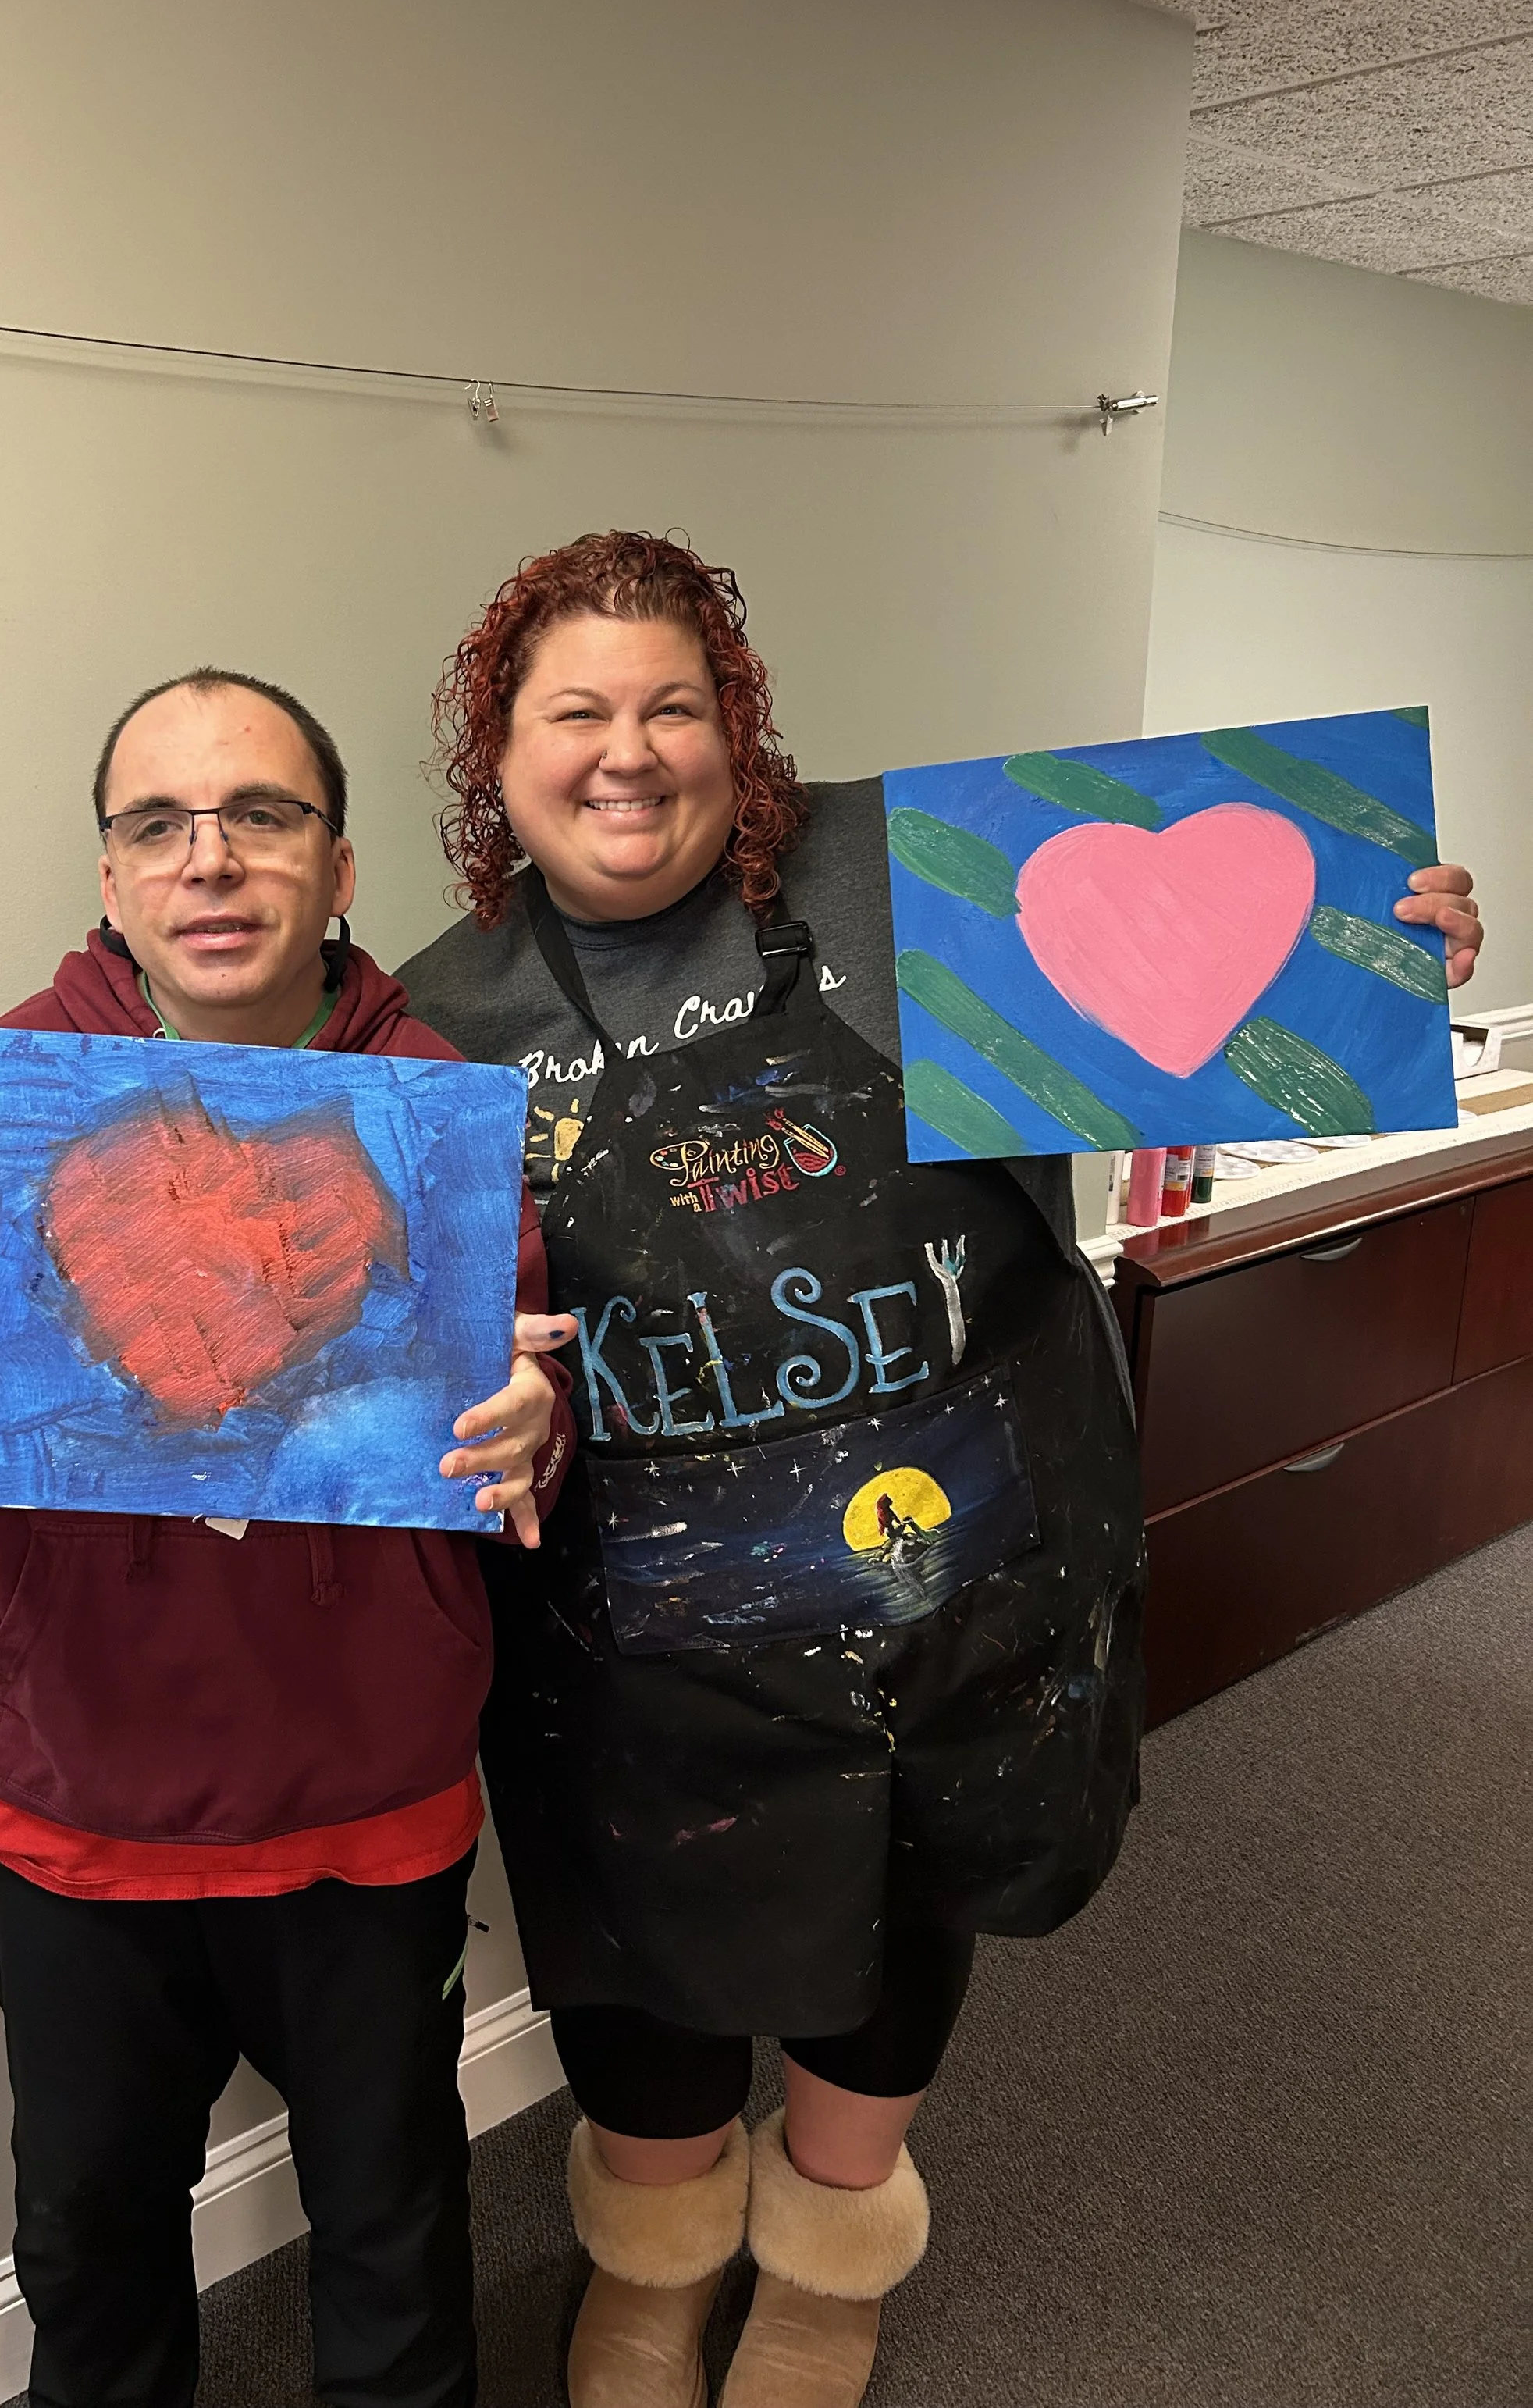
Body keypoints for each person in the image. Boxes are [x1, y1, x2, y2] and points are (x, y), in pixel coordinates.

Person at [399, 533, 1486, 2408]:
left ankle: (827, 2259)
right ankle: (655, 2258)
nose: (625, 752)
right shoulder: (428, 1021)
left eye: (672, 706)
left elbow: (1219, 1006)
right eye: (573, 713)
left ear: (738, 733)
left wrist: (1371, 954)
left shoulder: (912, 889)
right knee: (634, 1956)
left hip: (955, 1593)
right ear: (494, 760)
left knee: (904, 1914)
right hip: (630, 1638)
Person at [0, 668, 574, 2408]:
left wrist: (539, 1428)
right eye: (160, 824)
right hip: (73, 1819)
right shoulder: (2, 1106)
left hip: (364, 1815)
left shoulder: (433, 1109)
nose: (209, 859)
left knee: (393, 2234)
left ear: (338, 866)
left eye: (261, 817)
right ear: (113, 875)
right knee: (91, 2255)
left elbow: (520, 1415)